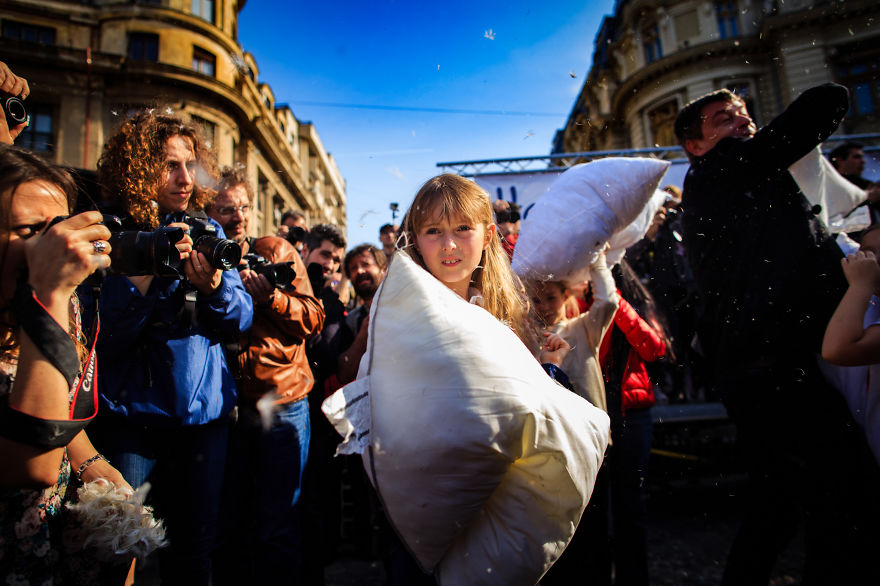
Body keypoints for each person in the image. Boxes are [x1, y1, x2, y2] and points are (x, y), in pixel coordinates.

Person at [675, 83, 880, 585]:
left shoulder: (752, 178)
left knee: (784, 500)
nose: (742, 121)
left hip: (773, 361)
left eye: (744, 111)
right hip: (764, 367)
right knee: (846, 486)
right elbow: (826, 102)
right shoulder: (718, 171)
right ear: (695, 146)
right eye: (724, 118)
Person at [83, 110, 253, 585]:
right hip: (131, 423)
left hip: (204, 422)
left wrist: (216, 286)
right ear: (138, 167)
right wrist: (143, 272)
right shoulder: (113, 232)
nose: (184, 177)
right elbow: (103, 338)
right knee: (120, 553)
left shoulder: (208, 232)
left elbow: (240, 319)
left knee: (194, 553)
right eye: (168, 165)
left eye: (188, 164)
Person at [0, 143, 133, 583]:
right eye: (29, 230)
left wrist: (91, 462)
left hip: (46, 536)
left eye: (58, 226)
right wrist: (51, 295)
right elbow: (30, 465)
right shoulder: (51, 294)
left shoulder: (52, 298)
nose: (57, 244)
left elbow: (62, 405)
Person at [207, 166, 324, 584]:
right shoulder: (202, 259)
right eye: (225, 209)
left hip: (282, 400)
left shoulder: (274, 249)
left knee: (278, 523)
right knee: (228, 523)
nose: (238, 217)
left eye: (243, 207)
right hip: (225, 408)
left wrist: (271, 297)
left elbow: (313, 318)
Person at [828, 141, 880, 224]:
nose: (863, 161)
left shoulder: (867, 185)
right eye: (857, 157)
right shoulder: (830, 184)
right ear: (840, 160)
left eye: (862, 157)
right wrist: (867, 199)